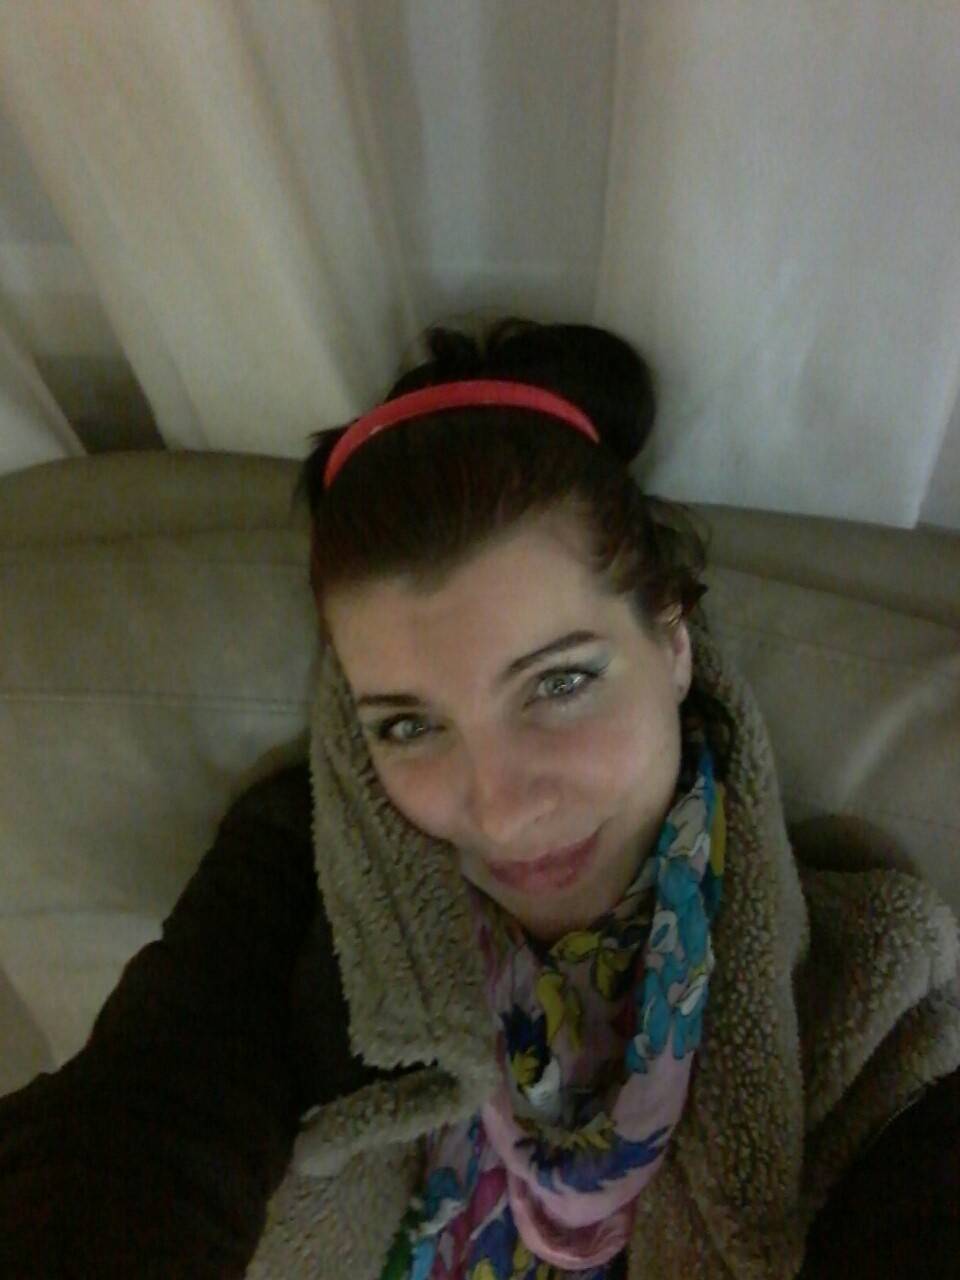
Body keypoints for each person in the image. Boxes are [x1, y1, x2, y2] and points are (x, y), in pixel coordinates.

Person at [0, 317, 957, 1280]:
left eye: (559, 683)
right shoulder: (292, 882)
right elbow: (139, 1125)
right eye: (409, 726)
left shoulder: (864, 977)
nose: (500, 813)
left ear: (672, 642)